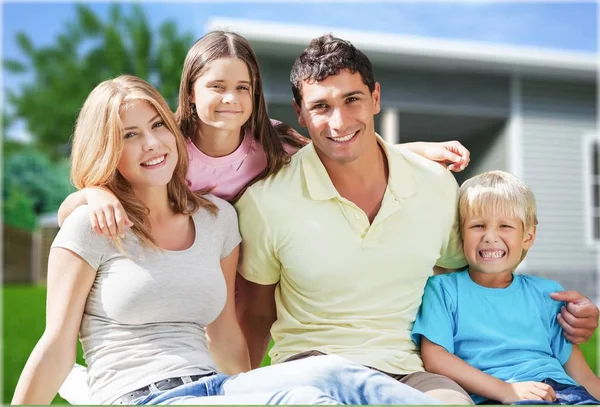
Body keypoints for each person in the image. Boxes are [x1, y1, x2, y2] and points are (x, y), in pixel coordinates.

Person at [12, 75, 441, 406]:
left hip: (215, 388)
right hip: (140, 395)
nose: (152, 143)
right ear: (106, 148)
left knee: (338, 375)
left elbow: (225, 334)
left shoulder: (217, 220)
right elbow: (56, 345)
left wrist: (254, 387)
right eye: (129, 135)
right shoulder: (91, 225)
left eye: (157, 125)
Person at [234, 34, 600, 405]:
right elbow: (254, 313)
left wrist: (558, 313)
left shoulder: (434, 184)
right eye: (321, 107)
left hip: (408, 369)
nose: (339, 121)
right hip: (311, 367)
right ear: (300, 112)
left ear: (375, 97)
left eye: (352, 99)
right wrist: (240, 389)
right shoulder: (267, 201)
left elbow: (474, 279)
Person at [57, 30, 471, 236]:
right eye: (216, 87)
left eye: (243, 88)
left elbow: (339, 146)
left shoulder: (271, 142)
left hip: (241, 266)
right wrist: (96, 192)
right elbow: (69, 210)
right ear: (189, 90)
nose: (230, 99)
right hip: (179, 262)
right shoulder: (166, 145)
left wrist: (413, 150)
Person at [411, 170, 600, 405]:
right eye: (478, 225)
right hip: (496, 393)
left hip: (564, 391)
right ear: (461, 235)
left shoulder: (548, 294)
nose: (490, 236)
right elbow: (435, 358)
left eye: (505, 226)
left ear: (528, 236)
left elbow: (582, 375)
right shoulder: (444, 290)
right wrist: (505, 390)